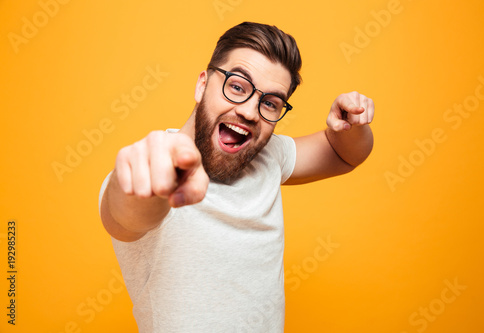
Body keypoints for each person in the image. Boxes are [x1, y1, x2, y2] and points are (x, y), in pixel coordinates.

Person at [99, 21, 374, 332]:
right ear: (202, 84)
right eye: (237, 86)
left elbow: (344, 154)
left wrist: (354, 124)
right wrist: (144, 183)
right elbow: (126, 216)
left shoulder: (269, 156)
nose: (249, 111)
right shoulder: (155, 167)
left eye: (270, 103)